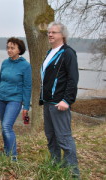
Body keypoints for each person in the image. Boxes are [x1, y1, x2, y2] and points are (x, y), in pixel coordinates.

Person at [40, 21, 80, 178]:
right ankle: (56, 167)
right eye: (49, 32)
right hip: (48, 102)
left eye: (53, 32)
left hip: (59, 103)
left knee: (64, 139)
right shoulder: (49, 52)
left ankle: (73, 173)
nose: (50, 34)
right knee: (51, 137)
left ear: (62, 35)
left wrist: (67, 100)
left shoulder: (68, 53)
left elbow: (72, 78)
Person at [0, 37, 32, 161]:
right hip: (2, 98)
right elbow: (0, 81)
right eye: (8, 47)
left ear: (19, 50)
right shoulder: (5, 63)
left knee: (7, 126)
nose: (9, 50)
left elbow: (27, 87)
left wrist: (25, 106)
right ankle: (6, 151)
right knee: (4, 127)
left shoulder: (25, 66)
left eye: (12, 48)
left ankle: (13, 156)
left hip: (15, 100)